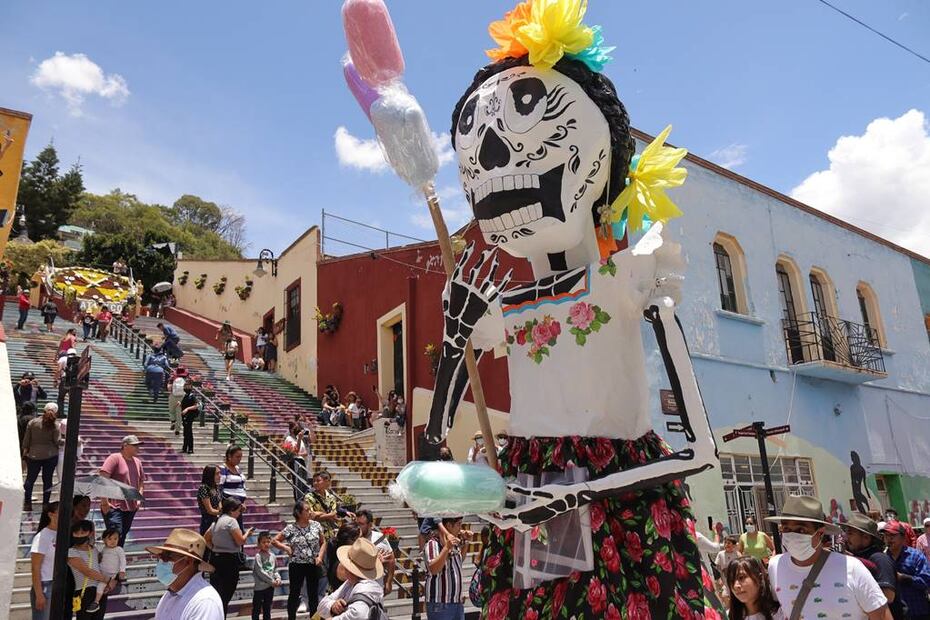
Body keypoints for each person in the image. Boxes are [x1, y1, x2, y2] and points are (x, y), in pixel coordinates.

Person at [766, 496, 890, 619]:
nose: (792, 535)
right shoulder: (775, 566)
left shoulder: (851, 568)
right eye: (786, 528)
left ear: (820, 533)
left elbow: (882, 616)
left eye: (801, 530)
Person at [148, 528, 224, 619]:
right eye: (160, 557)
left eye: (166, 557)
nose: (161, 562)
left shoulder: (204, 602)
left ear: (188, 561)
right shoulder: (170, 595)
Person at [272, 500, 326, 620]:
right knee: (294, 593)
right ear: (299, 513)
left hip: (312, 564)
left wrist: (320, 556)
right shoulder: (291, 528)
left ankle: (314, 617)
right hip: (296, 565)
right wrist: (286, 547)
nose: (310, 512)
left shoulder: (316, 525)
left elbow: (323, 542)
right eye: (307, 510)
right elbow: (274, 540)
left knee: (313, 595)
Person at [844, 512, 904, 619]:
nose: (846, 537)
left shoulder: (879, 559)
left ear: (866, 538)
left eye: (850, 533)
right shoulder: (856, 557)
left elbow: (889, 596)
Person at [204, 497, 253, 614]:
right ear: (232, 510)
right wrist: (247, 533)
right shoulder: (231, 521)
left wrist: (215, 548)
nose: (239, 513)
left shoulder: (216, 521)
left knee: (218, 593)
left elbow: (206, 538)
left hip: (216, 559)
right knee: (226, 594)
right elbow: (240, 541)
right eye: (238, 511)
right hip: (229, 561)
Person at [318, 538, 386, 620]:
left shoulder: (366, 587)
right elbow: (321, 606)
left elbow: (359, 615)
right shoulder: (350, 583)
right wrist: (333, 605)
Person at [99, 435, 145, 546]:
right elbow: (102, 479)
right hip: (114, 506)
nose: (138, 448)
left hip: (131, 506)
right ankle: (109, 561)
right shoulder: (114, 458)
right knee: (114, 536)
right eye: (135, 445)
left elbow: (141, 482)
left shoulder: (138, 462)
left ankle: (116, 561)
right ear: (125, 445)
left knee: (122, 536)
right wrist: (104, 502)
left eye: (138, 445)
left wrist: (139, 498)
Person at [883, 520, 930, 619]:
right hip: (895, 614)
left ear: (903, 537)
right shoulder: (882, 558)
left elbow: (926, 581)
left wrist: (903, 578)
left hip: (917, 611)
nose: (889, 539)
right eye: (886, 535)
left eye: (892, 535)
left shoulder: (916, 556)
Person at [67, 520, 114, 619]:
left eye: (83, 532)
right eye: (76, 533)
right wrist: (108, 580)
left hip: (99, 591)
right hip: (84, 593)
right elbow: (87, 572)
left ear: (90, 533)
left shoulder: (94, 549)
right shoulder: (71, 552)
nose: (79, 536)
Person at [424, 516, 465, 620]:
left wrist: (466, 542)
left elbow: (459, 562)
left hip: (456, 603)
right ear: (448, 525)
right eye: (458, 524)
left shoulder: (454, 543)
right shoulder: (433, 544)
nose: (461, 528)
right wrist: (447, 548)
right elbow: (433, 569)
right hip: (441, 604)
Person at [22, 402, 61, 511]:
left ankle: (27, 503)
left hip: (34, 455)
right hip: (50, 455)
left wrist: (24, 455)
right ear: (56, 412)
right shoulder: (55, 424)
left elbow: (26, 441)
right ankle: (45, 504)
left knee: (30, 479)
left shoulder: (32, 422)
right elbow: (57, 441)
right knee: (47, 480)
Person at [726, 555, 783, 620]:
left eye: (741, 577)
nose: (735, 586)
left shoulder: (781, 614)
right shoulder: (727, 617)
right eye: (731, 580)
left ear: (760, 578)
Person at [30, 501, 59, 620]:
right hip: (45, 584)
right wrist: (39, 593)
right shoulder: (42, 536)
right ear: (51, 515)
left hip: (58, 583)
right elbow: (35, 567)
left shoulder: (63, 533)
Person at [357, 509, 396, 595]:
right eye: (357, 523)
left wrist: (389, 581)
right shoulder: (352, 538)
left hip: (376, 585)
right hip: (358, 585)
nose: (358, 527)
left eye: (361, 524)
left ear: (370, 525)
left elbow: (391, 559)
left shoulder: (379, 538)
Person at [91, 527, 126, 612]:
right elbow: (101, 559)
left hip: (112, 574)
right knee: (100, 585)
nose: (113, 541)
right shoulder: (104, 549)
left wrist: (122, 571)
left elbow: (123, 560)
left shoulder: (119, 550)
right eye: (110, 539)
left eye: (115, 539)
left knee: (101, 586)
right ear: (104, 540)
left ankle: (96, 602)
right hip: (102, 573)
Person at [251, 531, 282, 620]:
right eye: (263, 542)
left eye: (268, 542)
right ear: (259, 544)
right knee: (256, 609)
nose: (266, 544)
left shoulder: (273, 555)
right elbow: (260, 571)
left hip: (270, 588)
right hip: (260, 588)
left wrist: (278, 578)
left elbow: (275, 569)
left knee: (267, 609)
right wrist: (272, 581)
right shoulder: (258, 556)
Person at [219, 444, 248, 527]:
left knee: (238, 527)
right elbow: (220, 488)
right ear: (229, 456)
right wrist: (221, 504)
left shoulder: (238, 469)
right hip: (230, 507)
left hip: (239, 507)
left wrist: (244, 503)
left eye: (241, 457)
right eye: (237, 457)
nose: (239, 459)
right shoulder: (223, 469)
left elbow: (242, 487)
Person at [327, 523, 362, 589]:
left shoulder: (341, 560)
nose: (361, 542)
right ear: (350, 541)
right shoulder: (344, 565)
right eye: (359, 539)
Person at [284, 422, 311, 501]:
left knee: (303, 482)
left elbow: (305, 453)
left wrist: (298, 452)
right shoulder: (288, 439)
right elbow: (294, 452)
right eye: (295, 428)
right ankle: (298, 500)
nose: (297, 430)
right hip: (295, 461)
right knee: (297, 482)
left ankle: (303, 499)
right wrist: (299, 439)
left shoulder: (300, 439)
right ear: (291, 430)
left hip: (302, 461)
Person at [197, 465, 222, 535]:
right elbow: (210, 510)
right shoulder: (204, 488)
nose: (220, 476)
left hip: (217, 521)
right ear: (210, 475)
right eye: (217, 474)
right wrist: (225, 513)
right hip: (207, 522)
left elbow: (219, 506)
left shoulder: (216, 487)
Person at [715, 535, 741, 601]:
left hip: (736, 579)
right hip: (725, 580)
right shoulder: (720, 554)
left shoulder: (737, 554)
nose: (726, 545)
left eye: (729, 543)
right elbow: (717, 567)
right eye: (725, 543)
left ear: (734, 545)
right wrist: (719, 579)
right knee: (725, 596)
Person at [167, 366, 189, 435]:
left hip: (173, 396)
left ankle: (173, 421)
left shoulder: (172, 378)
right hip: (182, 397)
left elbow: (168, 387)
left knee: (172, 411)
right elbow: (188, 390)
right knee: (179, 413)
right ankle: (178, 429)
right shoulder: (186, 380)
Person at [179, 381, 199, 454]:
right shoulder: (185, 396)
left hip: (190, 416)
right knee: (186, 433)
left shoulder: (192, 396)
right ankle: (184, 448)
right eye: (185, 386)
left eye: (188, 386)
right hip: (185, 416)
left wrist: (187, 409)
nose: (186, 388)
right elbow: (184, 405)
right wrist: (180, 405)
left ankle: (190, 449)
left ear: (191, 387)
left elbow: (196, 405)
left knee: (189, 432)